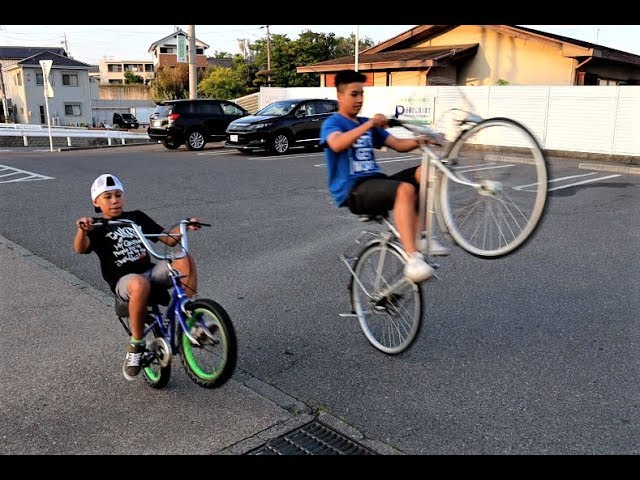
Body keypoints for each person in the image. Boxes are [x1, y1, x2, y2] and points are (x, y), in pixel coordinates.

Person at [320, 69, 450, 284]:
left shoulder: (364, 123)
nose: (360, 99)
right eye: (354, 94)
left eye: (362, 94)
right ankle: (412, 259)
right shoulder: (333, 123)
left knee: (427, 172)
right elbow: (337, 143)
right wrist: (369, 124)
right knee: (404, 190)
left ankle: (423, 237)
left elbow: (398, 145)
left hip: (375, 182)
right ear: (340, 96)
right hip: (353, 191)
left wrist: (422, 140)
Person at [74, 173, 202, 381]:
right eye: (107, 196)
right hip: (125, 281)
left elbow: (169, 240)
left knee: (183, 257)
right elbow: (80, 249)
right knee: (139, 283)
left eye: (118, 195)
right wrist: (82, 230)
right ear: (96, 201)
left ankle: (191, 313)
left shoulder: (136, 217)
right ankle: (137, 345)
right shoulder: (95, 226)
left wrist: (184, 226)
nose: (114, 200)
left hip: (150, 271)